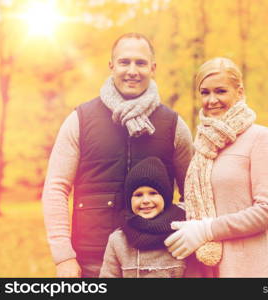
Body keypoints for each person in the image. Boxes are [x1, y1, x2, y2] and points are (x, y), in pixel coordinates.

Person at [41, 33, 193, 278]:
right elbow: (56, 188)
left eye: (141, 63)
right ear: (111, 66)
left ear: (153, 68)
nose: (132, 70)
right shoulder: (80, 120)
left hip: (157, 262)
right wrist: (64, 257)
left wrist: (182, 235)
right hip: (91, 261)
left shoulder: (174, 125)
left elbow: (195, 194)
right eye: (124, 62)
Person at [165, 57, 268, 277]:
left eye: (220, 91)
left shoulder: (261, 138)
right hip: (204, 268)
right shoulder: (202, 145)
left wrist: (207, 229)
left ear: (239, 92)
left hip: (246, 268)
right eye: (205, 92)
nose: (211, 100)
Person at [99, 156, 186, 277]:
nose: (145, 200)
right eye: (138, 195)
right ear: (129, 200)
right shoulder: (118, 240)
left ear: (165, 197)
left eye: (153, 193)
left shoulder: (182, 234)